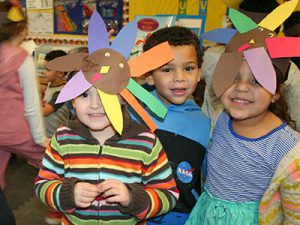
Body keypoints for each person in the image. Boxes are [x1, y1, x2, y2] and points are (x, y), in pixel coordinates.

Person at [34, 10, 179, 224]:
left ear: (124, 95)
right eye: (84, 94)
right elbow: (42, 185)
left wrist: (132, 197)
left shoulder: (145, 142)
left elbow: (168, 195)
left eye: (107, 92)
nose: (95, 104)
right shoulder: (63, 138)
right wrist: (67, 194)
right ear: (72, 99)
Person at [186, 2, 300, 224]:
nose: (242, 87)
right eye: (233, 76)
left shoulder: (290, 151)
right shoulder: (219, 118)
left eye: (257, 81)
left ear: (277, 93)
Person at [137, 26, 211, 225]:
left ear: (199, 73)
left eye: (188, 68)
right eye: (167, 69)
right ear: (150, 76)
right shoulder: (133, 114)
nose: (179, 77)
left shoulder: (206, 125)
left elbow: (205, 182)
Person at [0, 0, 47, 190]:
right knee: (55, 165)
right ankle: (62, 210)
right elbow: (32, 105)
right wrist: (40, 138)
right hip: (16, 132)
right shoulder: (21, 57)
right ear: (21, 29)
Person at [42, 50, 70, 137]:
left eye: (48, 70)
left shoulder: (62, 93)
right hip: (45, 134)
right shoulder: (50, 85)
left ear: (60, 73)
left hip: (55, 137)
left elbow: (43, 112)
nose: (44, 72)